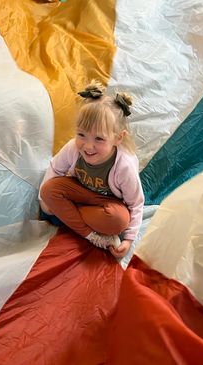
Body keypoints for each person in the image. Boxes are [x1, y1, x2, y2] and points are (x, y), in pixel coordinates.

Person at [39, 81, 144, 258]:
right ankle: (93, 236)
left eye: (99, 139)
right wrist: (45, 200)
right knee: (48, 190)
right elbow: (55, 169)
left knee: (119, 221)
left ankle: (68, 215)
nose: (88, 146)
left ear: (118, 138)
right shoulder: (73, 148)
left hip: (105, 203)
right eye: (81, 135)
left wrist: (128, 240)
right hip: (78, 192)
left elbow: (135, 203)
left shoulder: (123, 165)